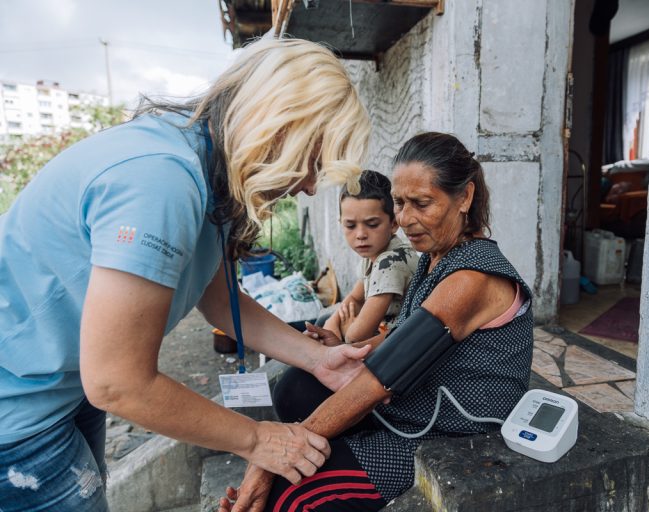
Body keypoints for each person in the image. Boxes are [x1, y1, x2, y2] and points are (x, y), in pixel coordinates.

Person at [0, 37, 372, 511]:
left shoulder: (201, 162)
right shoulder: (161, 181)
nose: (309, 186)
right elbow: (118, 382)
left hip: (65, 390)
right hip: (16, 411)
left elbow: (215, 293)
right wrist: (258, 440)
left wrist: (315, 358)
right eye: (311, 161)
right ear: (276, 128)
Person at [218, 132, 534, 512]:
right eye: (400, 203)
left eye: (422, 203)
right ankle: (334, 452)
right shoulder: (436, 257)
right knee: (296, 389)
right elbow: (400, 340)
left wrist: (273, 456)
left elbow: (380, 379)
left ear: (464, 197)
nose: (406, 219)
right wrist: (349, 350)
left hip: (446, 432)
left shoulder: (471, 280)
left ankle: (340, 461)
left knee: (292, 498)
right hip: (416, 400)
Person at [321, 170, 419, 343]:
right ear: (341, 224)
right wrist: (332, 323)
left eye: (372, 224)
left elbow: (357, 335)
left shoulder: (390, 263)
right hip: (383, 336)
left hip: (397, 346)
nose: (360, 234)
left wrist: (346, 330)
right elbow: (355, 299)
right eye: (350, 225)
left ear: (394, 223)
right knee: (325, 321)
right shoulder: (372, 255)